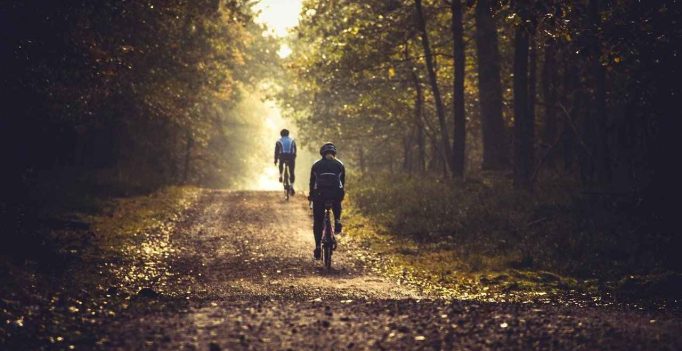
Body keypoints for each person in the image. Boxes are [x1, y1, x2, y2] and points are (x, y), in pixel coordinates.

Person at [308, 142, 345, 260]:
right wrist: (339, 194)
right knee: (337, 202)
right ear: (334, 153)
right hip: (335, 194)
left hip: (320, 195)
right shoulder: (340, 165)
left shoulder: (316, 165)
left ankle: (318, 246)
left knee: (318, 222)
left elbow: (312, 183)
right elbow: (342, 183)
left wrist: (311, 196)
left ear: (322, 153)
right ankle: (338, 220)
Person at [274, 129, 297, 193]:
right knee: (292, 172)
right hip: (291, 157)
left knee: (281, 164)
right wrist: (294, 157)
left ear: (281, 134)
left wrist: (275, 160)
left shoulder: (279, 141)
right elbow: (295, 150)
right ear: (288, 134)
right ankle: (292, 186)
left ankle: (281, 175)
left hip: (282, 156)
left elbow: (276, 152)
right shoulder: (292, 140)